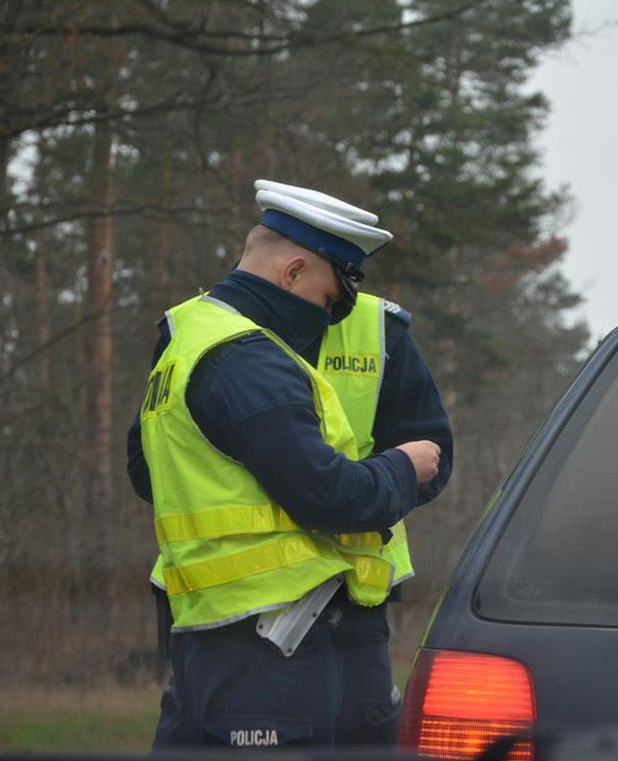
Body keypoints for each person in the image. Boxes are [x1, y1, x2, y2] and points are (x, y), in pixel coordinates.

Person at [126, 181, 449, 748]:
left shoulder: (191, 337)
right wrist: (400, 468)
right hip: (275, 637)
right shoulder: (247, 358)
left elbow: (156, 468)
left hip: (215, 629)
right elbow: (327, 494)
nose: (328, 319)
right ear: (293, 272)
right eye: (327, 300)